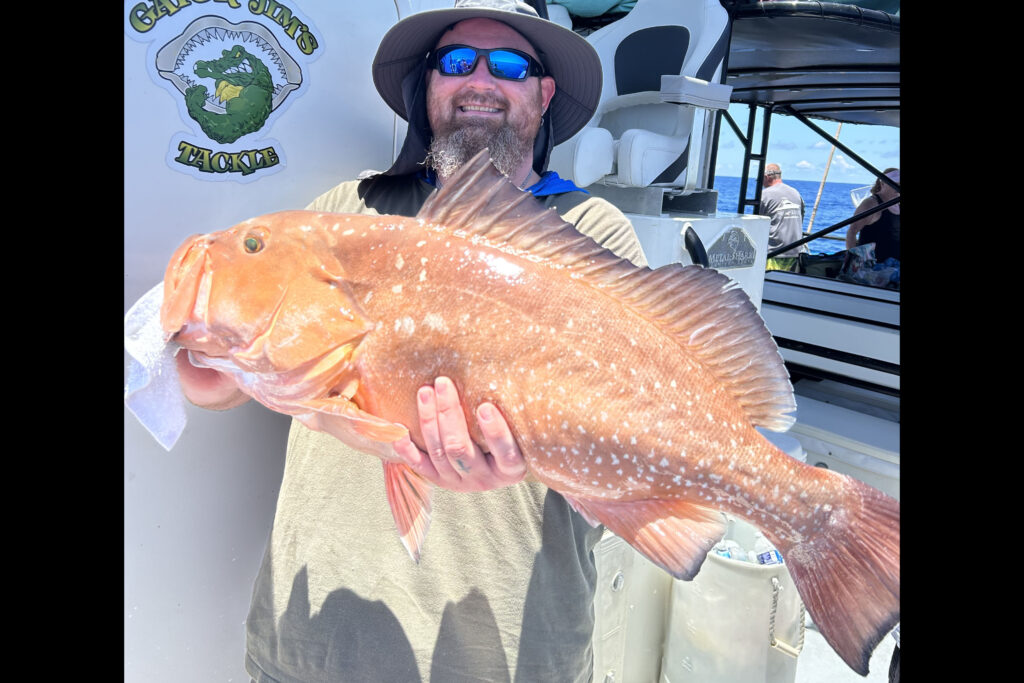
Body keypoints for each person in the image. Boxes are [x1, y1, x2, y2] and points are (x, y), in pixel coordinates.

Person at [174, 2, 647, 681]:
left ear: (543, 94)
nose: (480, 80)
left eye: (510, 66)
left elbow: (628, 445)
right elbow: (234, 376)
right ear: (426, 86)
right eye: (456, 62)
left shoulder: (593, 234)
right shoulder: (347, 212)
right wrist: (204, 364)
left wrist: (541, 451)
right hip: (307, 648)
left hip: (506, 658)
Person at [757, 163, 807, 272]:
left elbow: (755, 225)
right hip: (795, 253)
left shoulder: (765, 195)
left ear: (766, 177)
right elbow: (801, 218)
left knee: (768, 284)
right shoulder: (795, 193)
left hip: (773, 254)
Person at [845, 167, 900, 262]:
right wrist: (854, 260)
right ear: (882, 183)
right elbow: (852, 232)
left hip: (894, 267)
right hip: (873, 267)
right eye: (895, 184)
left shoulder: (898, 204)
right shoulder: (870, 204)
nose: (898, 187)